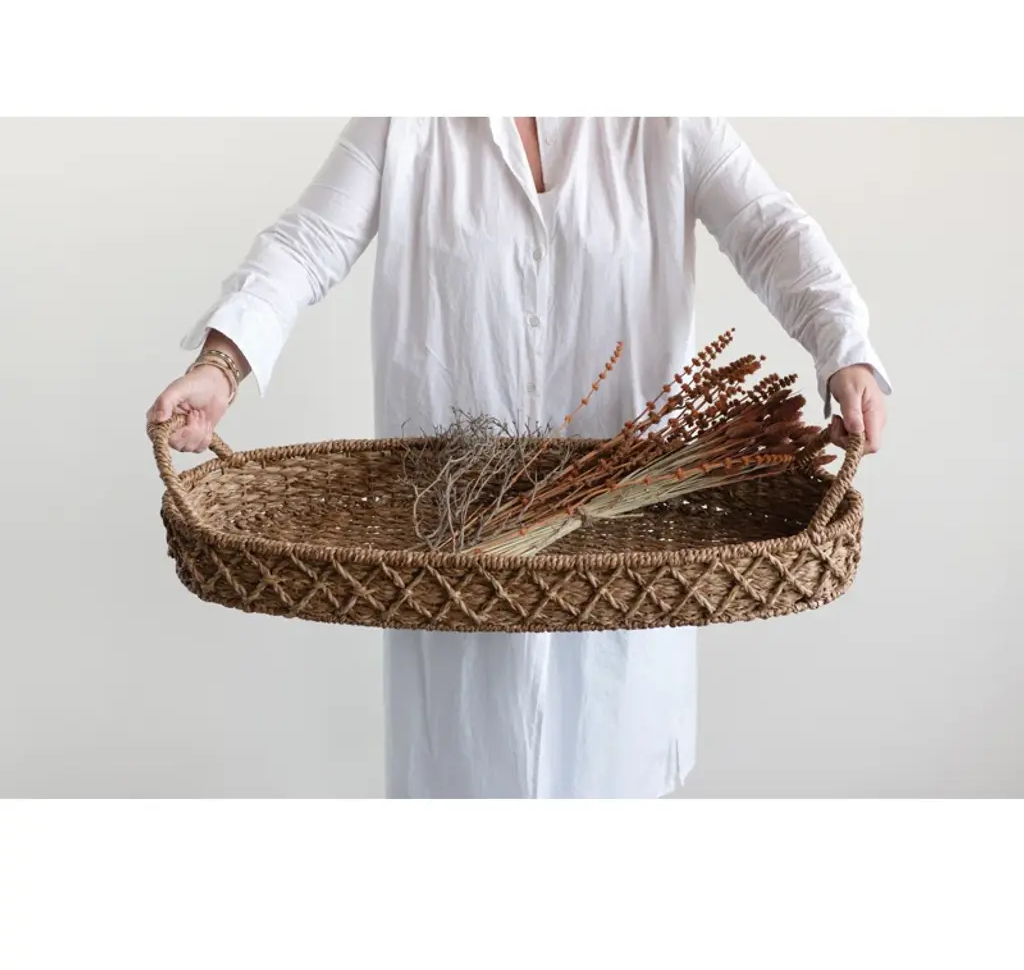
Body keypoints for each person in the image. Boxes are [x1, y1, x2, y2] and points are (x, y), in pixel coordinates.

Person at [147, 117, 890, 799]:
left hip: (626, 567)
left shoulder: (664, 119)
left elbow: (770, 230)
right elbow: (306, 244)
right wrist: (222, 364)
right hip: (454, 561)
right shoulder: (408, 120)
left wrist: (844, 348)